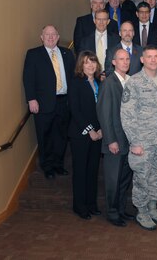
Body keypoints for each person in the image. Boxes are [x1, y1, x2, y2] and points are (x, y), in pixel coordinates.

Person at [121, 45, 157, 231]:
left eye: (156, 56)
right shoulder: (134, 82)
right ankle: (142, 211)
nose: (153, 60)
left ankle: (152, 207)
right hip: (142, 142)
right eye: (149, 57)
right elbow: (127, 115)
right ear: (142, 59)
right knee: (142, 179)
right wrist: (134, 142)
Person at [23, 25, 75, 179]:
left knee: (61, 135)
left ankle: (58, 164)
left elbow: (73, 76)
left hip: (64, 101)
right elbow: (28, 78)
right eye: (47, 34)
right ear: (42, 37)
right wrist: (31, 99)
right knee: (45, 135)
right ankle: (47, 166)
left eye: (54, 34)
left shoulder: (67, 53)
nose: (51, 37)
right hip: (43, 103)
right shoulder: (33, 54)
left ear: (58, 37)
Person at [97, 48, 134, 227]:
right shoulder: (109, 83)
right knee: (113, 180)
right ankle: (112, 213)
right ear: (113, 62)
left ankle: (120, 209)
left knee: (124, 179)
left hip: (128, 141)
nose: (125, 62)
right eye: (121, 59)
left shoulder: (129, 80)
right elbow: (104, 114)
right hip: (115, 142)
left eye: (127, 59)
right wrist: (110, 140)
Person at [68, 51, 103, 220]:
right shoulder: (75, 83)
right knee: (81, 171)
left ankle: (91, 204)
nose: (91, 65)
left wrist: (101, 129)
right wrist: (90, 130)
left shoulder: (98, 82)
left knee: (92, 171)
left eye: (93, 62)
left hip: (98, 133)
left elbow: (101, 108)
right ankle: (79, 206)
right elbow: (75, 110)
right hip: (81, 134)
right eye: (87, 62)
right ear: (81, 65)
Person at [78, 9, 120, 75]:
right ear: (94, 21)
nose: (101, 22)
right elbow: (81, 62)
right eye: (98, 19)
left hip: (111, 77)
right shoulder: (85, 41)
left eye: (104, 19)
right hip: (92, 77)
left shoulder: (116, 39)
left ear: (108, 21)